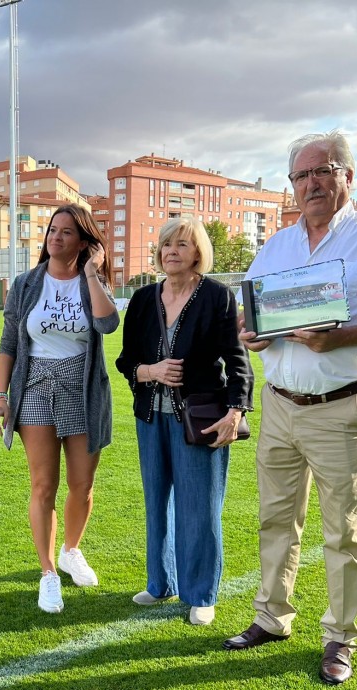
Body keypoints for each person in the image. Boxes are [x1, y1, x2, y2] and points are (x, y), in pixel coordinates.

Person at [223, 130, 357, 684]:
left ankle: (340, 638)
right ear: (291, 185)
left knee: (343, 529)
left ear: (347, 176)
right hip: (280, 404)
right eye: (301, 175)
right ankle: (272, 617)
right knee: (275, 520)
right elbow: (252, 315)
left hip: (341, 406)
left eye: (324, 170)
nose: (311, 183)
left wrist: (345, 336)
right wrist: (253, 334)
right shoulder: (277, 246)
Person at [115, 218, 253, 626]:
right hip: (150, 416)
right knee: (156, 503)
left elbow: (237, 359)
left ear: (198, 253)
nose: (171, 251)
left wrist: (237, 410)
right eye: (165, 245)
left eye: (181, 244)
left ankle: (200, 594)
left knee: (200, 508)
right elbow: (126, 362)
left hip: (201, 418)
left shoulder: (217, 297)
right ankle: (160, 583)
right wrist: (150, 371)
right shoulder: (141, 299)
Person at [0, 204, 119, 613]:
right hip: (33, 388)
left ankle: (70, 550)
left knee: (82, 484)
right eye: (52, 230)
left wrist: (91, 273)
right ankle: (48, 573)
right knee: (43, 485)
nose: (56, 237)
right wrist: (0, 395)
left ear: (84, 242)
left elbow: (107, 325)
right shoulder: (27, 283)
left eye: (66, 232)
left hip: (82, 389)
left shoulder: (90, 282)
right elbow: (9, 342)